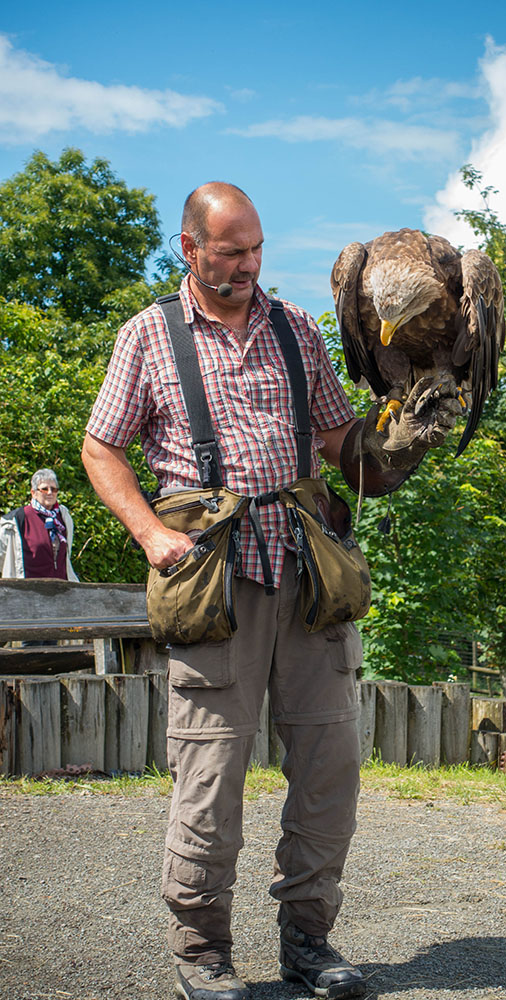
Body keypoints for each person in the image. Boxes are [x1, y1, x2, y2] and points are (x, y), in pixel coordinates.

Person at [81, 182, 458, 1000]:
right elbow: (100, 447)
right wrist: (150, 533)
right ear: (189, 248)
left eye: (255, 249)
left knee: (330, 774)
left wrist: (403, 433)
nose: (248, 265)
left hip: (306, 573)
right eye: (229, 252)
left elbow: (337, 446)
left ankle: (309, 944)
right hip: (212, 581)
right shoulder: (148, 337)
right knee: (210, 783)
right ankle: (203, 953)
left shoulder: (295, 330)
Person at [0, 468, 78, 581]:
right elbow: (2, 555)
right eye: (44, 489)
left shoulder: (63, 517)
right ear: (33, 493)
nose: (50, 493)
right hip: (27, 591)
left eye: (54, 489)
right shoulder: (16, 519)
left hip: (61, 591)